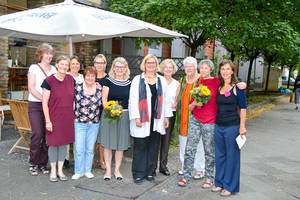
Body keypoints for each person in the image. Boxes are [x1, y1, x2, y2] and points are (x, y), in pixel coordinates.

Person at [129, 54, 172, 184]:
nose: (151, 65)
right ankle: (138, 173)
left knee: (153, 146)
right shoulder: (138, 79)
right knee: (140, 146)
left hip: (156, 118)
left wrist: (166, 117)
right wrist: (136, 117)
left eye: (153, 63)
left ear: (156, 65)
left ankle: (150, 172)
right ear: (144, 64)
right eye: (148, 63)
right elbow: (133, 99)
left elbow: (166, 100)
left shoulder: (161, 80)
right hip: (142, 118)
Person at [178, 59, 218, 188]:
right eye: (201, 68)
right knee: (190, 148)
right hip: (195, 119)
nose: (203, 70)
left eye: (206, 68)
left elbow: (226, 93)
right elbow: (190, 107)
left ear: (210, 69)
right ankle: (186, 176)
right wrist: (196, 103)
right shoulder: (198, 83)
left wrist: (240, 86)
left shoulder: (216, 81)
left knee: (209, 150)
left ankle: (209, 178)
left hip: (210, 121)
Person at [212, 60, 247, 196]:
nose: (225, 72)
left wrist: (242, 126)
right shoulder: (219, 87)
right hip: (218, 126)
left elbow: (243, 108)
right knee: (220, 156)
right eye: (223, 69)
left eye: (228, 69)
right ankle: (219, 182)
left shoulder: (238, 87)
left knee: (232, 157)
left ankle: (230, 186)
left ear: (232, 71)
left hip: (232, 126)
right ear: (220, 71)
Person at [41, 55, 75, 182]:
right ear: (57, 65)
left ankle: (61, 170)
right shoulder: (48, 81)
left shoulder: (71, 79)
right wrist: (48, 121)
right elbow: (44, 103)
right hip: (53, 118)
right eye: (62, 64)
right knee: (53, 145)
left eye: (66, 65)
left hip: (67, 118)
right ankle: (53, 170)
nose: (64, 67)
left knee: (64, 145)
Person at [98, 57, 131, 181]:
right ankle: (108, 170)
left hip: (124, 115)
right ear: (113, 68)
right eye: (117, 66)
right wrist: (110, 111)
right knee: (108, 144)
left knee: (120, 145)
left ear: (125, 68)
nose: (119, 69)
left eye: (122, 67)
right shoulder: (107, 81)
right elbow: (104, 100)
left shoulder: (130, 83)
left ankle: (117, 170)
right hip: (109, 115)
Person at [27, 43, 56, 176]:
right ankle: (33, 162)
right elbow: (32, 88)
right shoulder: (34, 68)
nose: (49, 56)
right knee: (37, 133)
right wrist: (44, 100)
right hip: (35, 105)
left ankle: (43, 164)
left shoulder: (54, 70)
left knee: (47, 135)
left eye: (51, 53)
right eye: (46, 53)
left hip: (49, 106)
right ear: (41, 54)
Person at [175, 56, 205, 179]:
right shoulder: (182, 80)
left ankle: (200, 169)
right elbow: (177, 97)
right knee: (183, 144)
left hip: (197, 118)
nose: (188, 68)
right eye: (186, 66)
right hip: (183, 117)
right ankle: (185, 166)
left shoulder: (201, 80)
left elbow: (205, 98)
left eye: (191, 66)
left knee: (198, 145)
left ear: (195, 67)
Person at [72, 66, 102, 180]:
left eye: (92, 76)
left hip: (94, 123)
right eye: (88, 75)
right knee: (79, 148)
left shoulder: (100, 89)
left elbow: (104, 103)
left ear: (95, 77)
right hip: (79, 123)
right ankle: (78, 171)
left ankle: (87, 170)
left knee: (90, 149)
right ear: (84, 76)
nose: (90, 78)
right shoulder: (77, 87)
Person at [153, 59, 180, 176]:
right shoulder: (158, 80)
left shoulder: (177, 84)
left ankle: (163, 166)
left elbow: (176, 100)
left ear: (173, 70)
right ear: (162, 69)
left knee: (166, 140)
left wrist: (175, 104)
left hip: (170, 114)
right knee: (155, 140)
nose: (168, 69)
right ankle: (152, 166)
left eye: (170, 67)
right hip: (158, 113)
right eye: (166, 67)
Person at [64, 55, 84, 169]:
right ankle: (65, 158)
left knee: (78, 136)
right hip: (67, 109)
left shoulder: (83, 77)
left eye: (77, 64)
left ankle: (78, 159)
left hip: (80, 111)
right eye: (73, 64)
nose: (75, 66)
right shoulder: (65, 76)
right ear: (69, 66)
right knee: (66, 134)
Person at [94, 54, 108, 170]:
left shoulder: (108, 78)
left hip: (104, 110)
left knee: (102, 137)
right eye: (97, 63)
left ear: (105, 64)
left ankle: (102, 160)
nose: (99, 65)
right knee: (93, 137)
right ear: (94, 64)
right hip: (91, 111)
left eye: (101, 63)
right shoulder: (90, 76)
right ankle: (92, 159)